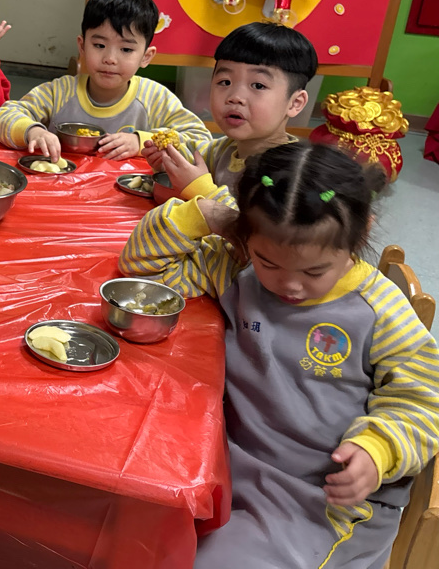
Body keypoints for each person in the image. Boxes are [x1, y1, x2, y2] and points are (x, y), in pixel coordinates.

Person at [121, 142, 439, 569]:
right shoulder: (238, 269)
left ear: (360, 234)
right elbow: (141, 269)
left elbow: (423, 400)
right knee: (120, 527)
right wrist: (205, 214)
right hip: (223, 460)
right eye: (269, 262)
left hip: (320, 500)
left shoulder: (380, 312)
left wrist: (377, 450)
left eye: (314, 271)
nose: (290, 285)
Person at [0, 0, 210, 161]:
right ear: (82, 46)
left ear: (146, 57)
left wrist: (142, 142)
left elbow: (202, 141)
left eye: (126, 49)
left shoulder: (155, 99)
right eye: (99, 45)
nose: (110, 58)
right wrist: (32, 132)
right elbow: (0, 118)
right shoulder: (60, 92)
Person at [148, 21, 317, 203]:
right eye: (225, 82)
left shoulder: (293, 174)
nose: (235, 97)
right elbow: (190, 154)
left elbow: (251, 221)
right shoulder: (223, 150)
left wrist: (202, 190)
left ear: (295, 103)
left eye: (258, 85)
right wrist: (168, 159)